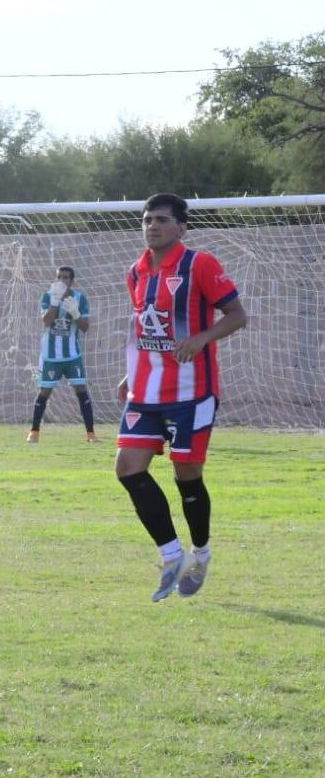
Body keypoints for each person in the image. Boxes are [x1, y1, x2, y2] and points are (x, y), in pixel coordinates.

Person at [115, 193, 248, 602]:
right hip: (147, 391)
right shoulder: (136, 272)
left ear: (181, 227)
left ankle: (201, 554)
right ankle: (170, 555)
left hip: (193, 393)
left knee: (186, 475)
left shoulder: (200, 265)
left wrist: (202, 338)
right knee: (128, 469)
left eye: (160, 219)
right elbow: (147, 327)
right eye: (146, 219)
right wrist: (129, 373)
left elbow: (237, 315)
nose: (151, 225)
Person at [26, 265, 96, 443]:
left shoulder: (80, 298)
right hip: (52, 355)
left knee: (81, 390)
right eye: (59, 277)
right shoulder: (47, 296)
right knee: (45, 391)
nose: (62, 281)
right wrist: (55, 303)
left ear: (72, 281)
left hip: (73, 356)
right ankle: (34, 432)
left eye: (66, 278)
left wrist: (75, 313)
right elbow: (47, 322)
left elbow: (85, 327)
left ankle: (91, 434)